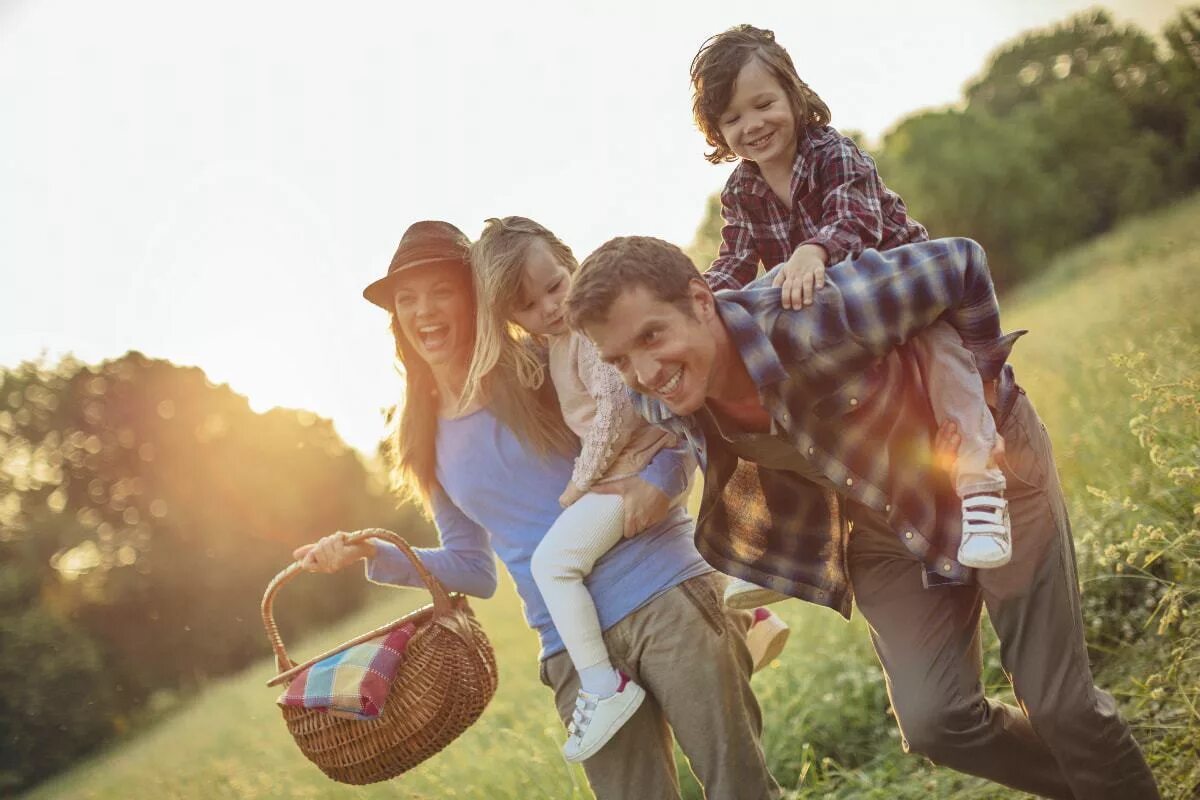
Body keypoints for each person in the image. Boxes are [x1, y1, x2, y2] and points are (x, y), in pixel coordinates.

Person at [567, 234, 1161, 799]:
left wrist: (981, 400)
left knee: (1059, 704)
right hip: (879, 522)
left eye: (652, 336)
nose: (645, 373)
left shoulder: (812, 313)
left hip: (985, 482)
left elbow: (960, 263)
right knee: (936, 721)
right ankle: (1102, 783)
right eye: (619, 359)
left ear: (701, 301)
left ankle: (1104, 776)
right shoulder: (656, 394)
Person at [295, 220, 781, 799]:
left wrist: (661, 482)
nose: (424, 311)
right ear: (395, 317)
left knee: (741, 790)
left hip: (662, 592)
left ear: (477, 296)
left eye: (441, 291)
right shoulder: (419, 437)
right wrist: (374, 554)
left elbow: (658, 418)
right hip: (570, 648)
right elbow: (472, 568)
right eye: (407, 300)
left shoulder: (541, 365)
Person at [690, 25, 1010, 599]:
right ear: (718, 131)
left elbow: (854, 220)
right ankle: (789, 542)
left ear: (793, 94)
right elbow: (734, 259)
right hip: (839, 325)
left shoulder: (830, 151)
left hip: (904, 298)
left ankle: (981, 487)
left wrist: (811, 251)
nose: (753, 125)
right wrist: (698, 308)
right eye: (733, 119)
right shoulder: (742, 191)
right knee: (783, 396)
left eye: (763, 103)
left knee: (942, 357)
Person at [465, 216, 789, 761]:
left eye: (554, 286)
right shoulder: (558, 347)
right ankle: (751, 618)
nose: (548, 307)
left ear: (571, 265)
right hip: (627, 466)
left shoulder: (591, 338)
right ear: (510, 318)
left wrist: (581, 483)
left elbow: (616, 412)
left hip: (631, 464)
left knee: (554, 565)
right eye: (528, 305)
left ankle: (602, 687)